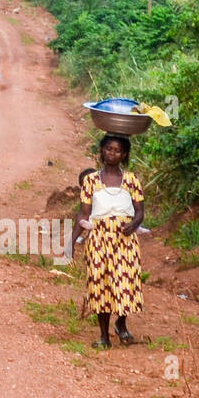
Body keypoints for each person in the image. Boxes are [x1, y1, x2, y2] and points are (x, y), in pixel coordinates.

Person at [71, 135, 144, 348]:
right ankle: (103, 336)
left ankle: (121, 323)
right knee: (99, 285)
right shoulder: (91, 181)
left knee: (126, 283)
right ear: (101, 150)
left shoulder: (131, 180)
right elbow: (83, 214)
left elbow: (140, 212)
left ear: (124, 155)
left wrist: (133, 225)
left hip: (125, 239)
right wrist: (70, 242)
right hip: (99, 239)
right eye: (108, 149)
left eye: (117, 150)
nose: (112, 153)